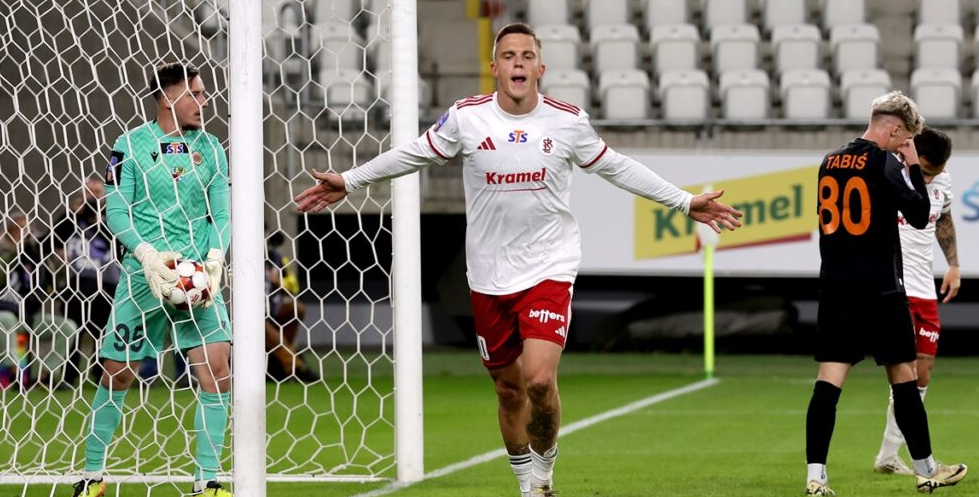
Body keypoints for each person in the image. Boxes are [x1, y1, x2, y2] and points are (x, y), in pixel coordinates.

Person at [295, 22, 743, 497]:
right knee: (509, 391)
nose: (518, 64)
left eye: (527, 56)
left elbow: (617, 167)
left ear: (540, 68)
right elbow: (413, 155)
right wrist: (351, 180)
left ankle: (543, 476)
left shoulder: (567, 122)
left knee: (539, 381)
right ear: (495, 67)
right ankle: (528, 486)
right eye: (509, 56)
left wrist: (683, 201)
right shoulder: (466, 118)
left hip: (549, 266)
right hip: (488, 275)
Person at [70, 63, 233, 497]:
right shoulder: (128, 145)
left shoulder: (212, 148)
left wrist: (215, 259)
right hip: (146, 276)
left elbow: (222, 213)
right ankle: (92, 476)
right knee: (118, 374)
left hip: (197, 279)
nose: (204, 102)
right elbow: (116, 210)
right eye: (195, 94)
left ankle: (207, 482)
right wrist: (146, 255)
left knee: (217, 369)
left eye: (204, 94)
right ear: (166, 97)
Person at [804, 92, 967, 496]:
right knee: (904, 378)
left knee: (828, 382)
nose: (906, 144)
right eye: (906, 137)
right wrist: (911, 165)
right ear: (893, 129)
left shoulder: (829, 161)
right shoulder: (885, 162)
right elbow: (919, 214)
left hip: (836, 286)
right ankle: (927, 470)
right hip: (880, 288)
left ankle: (816, 477)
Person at [872, 126, 960, 475]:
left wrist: (953, 265)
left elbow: (944, 218)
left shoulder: (942, 180)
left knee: (922, 375)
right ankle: (922, 463)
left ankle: (887, 456)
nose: (929, 179)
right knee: (905, 374)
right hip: (894, 287)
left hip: (925, 288)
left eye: (935, 173)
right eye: (924, 171)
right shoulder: (888, 175)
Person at [265, 231, 318, 383]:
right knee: (261, 324)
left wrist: (278, 282)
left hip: (273, 309)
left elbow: (294, 286)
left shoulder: (277, 259)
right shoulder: (244, 257)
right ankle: (296, 366)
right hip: (252, 316)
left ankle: (279, 358)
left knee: (297, 308)